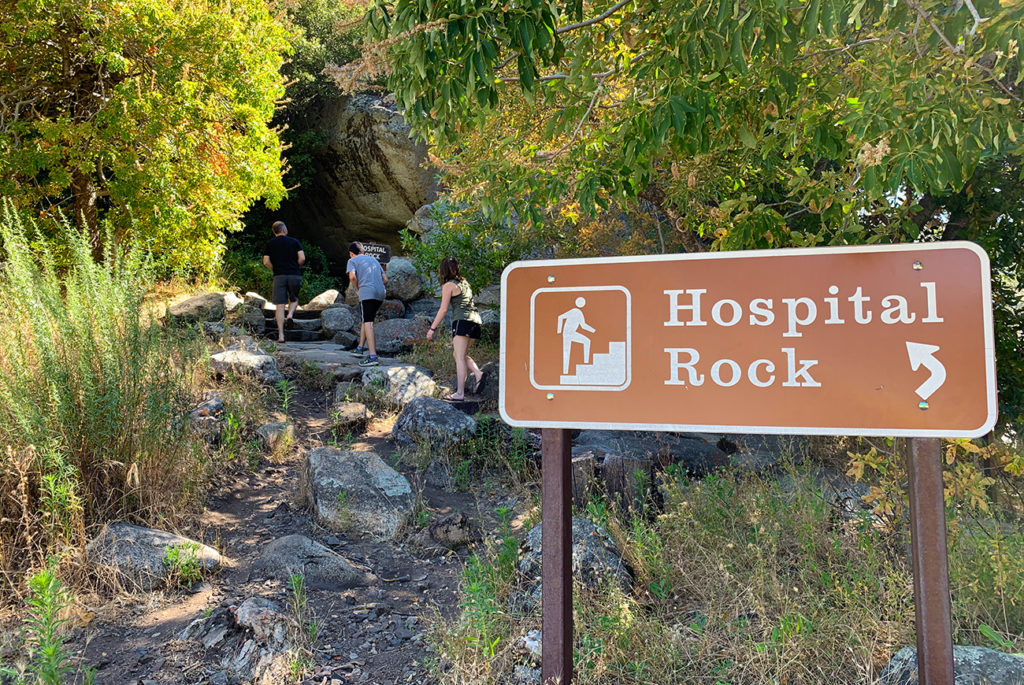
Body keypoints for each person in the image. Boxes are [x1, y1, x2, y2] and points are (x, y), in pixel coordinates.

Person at [427, 257, 484, 401]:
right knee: (459, 354)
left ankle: (460, 393)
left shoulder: (448, 285)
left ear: (443, 270)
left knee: (459, 357)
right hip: (475, 322)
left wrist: (432, 328)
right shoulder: (465, 283)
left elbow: (443, 309)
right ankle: (478, 373)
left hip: (462, 322)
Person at [262, 221, 305, 343]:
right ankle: (290, 314)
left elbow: (265, 261)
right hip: (294, 274)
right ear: (284, 230)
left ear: (275, 231)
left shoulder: (270, 244)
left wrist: (274, 268)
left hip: (279, 275)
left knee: (279, 306)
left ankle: (281, 335)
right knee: (294, 298)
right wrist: (295, 266)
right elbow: (302, 258)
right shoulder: (294, 242)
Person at [346, 241, 388, 367]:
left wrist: (358, 289)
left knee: (368, 322)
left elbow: (352, 277)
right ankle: (359, 348)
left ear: (352, 253)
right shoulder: (374, 260)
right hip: (380, 293)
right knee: (366, 319)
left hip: (367, 292)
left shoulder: (352, 261)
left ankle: (372, 356)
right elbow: (385, 279)